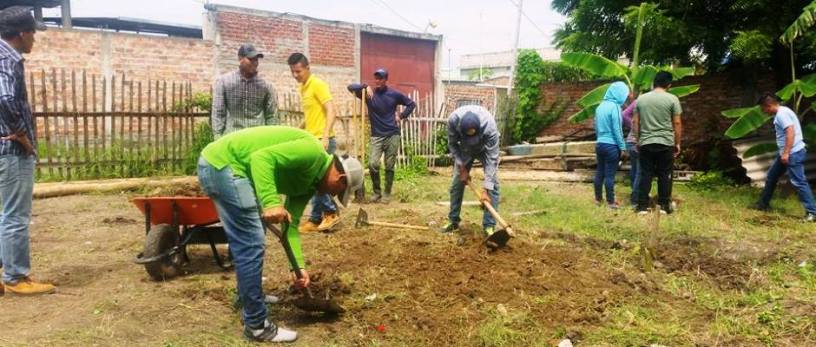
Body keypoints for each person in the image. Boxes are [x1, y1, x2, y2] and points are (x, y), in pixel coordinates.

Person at [197, 126, 363, 342]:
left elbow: (290, 227)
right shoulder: (312, 152)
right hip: (224, 165)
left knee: (250, 238)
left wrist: (298, 267)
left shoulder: (310, 185)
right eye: (338, 192)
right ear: (340, 178)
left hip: (226, 168)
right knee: (252, 242)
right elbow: (261, 158)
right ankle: (257, 326)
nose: (333, 195)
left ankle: (247, 297)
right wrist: (271, 202)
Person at [0, 6, 55, 296]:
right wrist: (22, 136)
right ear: (22, 34)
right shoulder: (9, 60)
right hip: (11, 149)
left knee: (6, 214)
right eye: (33, 33)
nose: (34, 39)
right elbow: (7, 99)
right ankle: (16, 277)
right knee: (16, 216)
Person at [288, 53, 341, 232]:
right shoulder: (303, 88)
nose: (296, 75)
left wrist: (325, 136)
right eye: (293, 72)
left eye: (298, 71)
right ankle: (315, 219)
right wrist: (298, 131)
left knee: (316, 181)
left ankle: (331, 212)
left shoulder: (317, 84)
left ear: (308, 68)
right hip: (312, 139)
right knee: (315, 181)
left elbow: (331, 110)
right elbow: (310, 116)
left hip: (323, 140)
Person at [347, 68, 416, 203]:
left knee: (389, 165)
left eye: (380, 78)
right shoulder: (369, 94)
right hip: (377, 136)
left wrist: (401, 116)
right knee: (373, 164)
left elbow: (411, 104)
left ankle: (387, 193)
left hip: (392, 134)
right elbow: (350, 88)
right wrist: (365, 86)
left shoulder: (394, 94)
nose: (377, 81)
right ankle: (377, 192)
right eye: (376, 78)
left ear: (386, 80)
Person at [752, 93, 816, 221]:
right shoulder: (783, 111)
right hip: (787, 153)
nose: (763, 112)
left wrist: (786, 153)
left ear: (768, 106)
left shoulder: (781, 115)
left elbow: (790, 132)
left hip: (792, 153)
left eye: (763, 109)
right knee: (772, 176)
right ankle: (763, 204)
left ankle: (812, 212)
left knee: (799, 181)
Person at [439, 105, 500, 236]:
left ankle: (489, 227)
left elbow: (492, 161)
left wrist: (486, 190)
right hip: (465, 150)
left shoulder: (490, 128)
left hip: (485, 148)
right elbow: (453, 145)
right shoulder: (453, 121)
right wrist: (462, 168)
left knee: (493, 186)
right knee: (457, 184)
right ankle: (453, 221)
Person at [633, 71, 682, 214]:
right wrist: (677, 143)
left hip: (646, 142)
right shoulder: (672, 99)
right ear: (669, 84)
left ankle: (642, 206)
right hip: (666, 143)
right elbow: (677, 123)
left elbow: (635, 121)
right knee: (664, 174)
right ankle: (664, 206)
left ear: (654, 82)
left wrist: (638, 140)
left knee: (645, 174)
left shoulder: (641, 99)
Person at [211, 44, 278, 138]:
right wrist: (218, 138)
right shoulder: (224, 82)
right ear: (240, 58)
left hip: (257, 140)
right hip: (232, 138)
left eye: (256, 59)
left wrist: (271, 139)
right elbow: (218, 113)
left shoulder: (266, 86)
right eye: (251, 59)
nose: (255, 63)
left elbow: (271, 116)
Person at [593, 81, 629, 209]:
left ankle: (598, 199)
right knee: (609, 175)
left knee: (599, 172)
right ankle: (611, 202)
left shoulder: (600, 106)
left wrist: (600, 139)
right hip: (611, 146)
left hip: (600, 144)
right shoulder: (615, 107)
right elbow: (617, 129)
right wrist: (623, 147)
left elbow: (596, 127)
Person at [622, 100, 639, 205]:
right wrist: (632, 126)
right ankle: (635, 198)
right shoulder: (641, 101)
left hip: (630, 141)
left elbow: (625, 114)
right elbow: (624, 115)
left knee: (635, 168)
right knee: (640, 171)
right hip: (637, 142)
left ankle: (634, 192)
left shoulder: (638, 101)